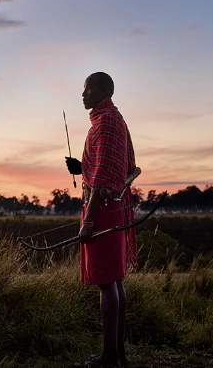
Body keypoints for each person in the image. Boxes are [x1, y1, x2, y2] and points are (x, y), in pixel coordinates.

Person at [66, 72, 137, 368]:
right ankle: (117, 355)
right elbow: (108, 168)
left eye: (88, 88)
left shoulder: (106, 122)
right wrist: (81, 168)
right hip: (112, 208)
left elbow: (104, 179)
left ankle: (109, 357)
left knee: (107, 283)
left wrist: (88, 222)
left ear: (104, 91)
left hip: (103, 210)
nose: (83, 94)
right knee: (114, 281)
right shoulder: (111, 120)